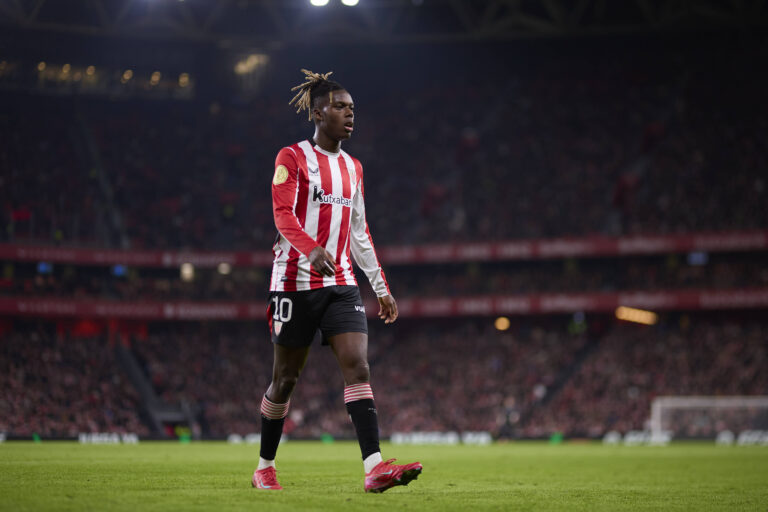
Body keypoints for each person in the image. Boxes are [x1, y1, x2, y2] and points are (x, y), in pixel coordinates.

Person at [252, 69, 422, 493]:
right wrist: (310, 248)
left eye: (353, 109)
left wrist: (380, 288)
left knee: (358, 367)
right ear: (317, 112)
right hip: (293, 280)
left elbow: (360, 233)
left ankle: (374, 467)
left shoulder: (354, 168)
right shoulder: (291, 158)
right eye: (342, 107)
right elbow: (282, 214)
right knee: (285, 380)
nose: (350, 115)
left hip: (342, 283)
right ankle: (264, 466)